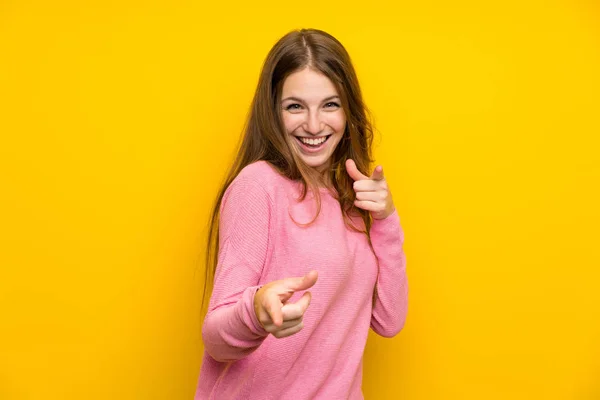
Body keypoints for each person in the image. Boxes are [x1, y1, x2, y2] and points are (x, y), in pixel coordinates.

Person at [195, 28, 408, 400]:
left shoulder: (349, 199)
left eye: (330, 104)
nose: (313, 125)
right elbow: (215, 338)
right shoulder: (258, 185)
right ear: (273, 111)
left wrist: (386, 220)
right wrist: (256, 313)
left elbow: (389, 321)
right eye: (295, 106)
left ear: (349, 110)